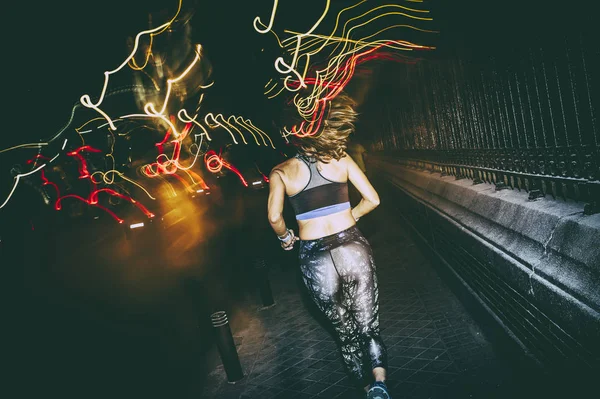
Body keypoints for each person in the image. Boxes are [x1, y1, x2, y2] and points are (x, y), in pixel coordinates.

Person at [267, 93, 390, 399]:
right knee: (369, 327)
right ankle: (380, 383)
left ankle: (365, 390)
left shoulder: (281, 172)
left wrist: (286, 238)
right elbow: (372, 199)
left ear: (293, 135)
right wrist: (350, 216)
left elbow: (273, 216)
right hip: (352, 245)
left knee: (345, 334)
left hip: (314, 256)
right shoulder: (341, 159)